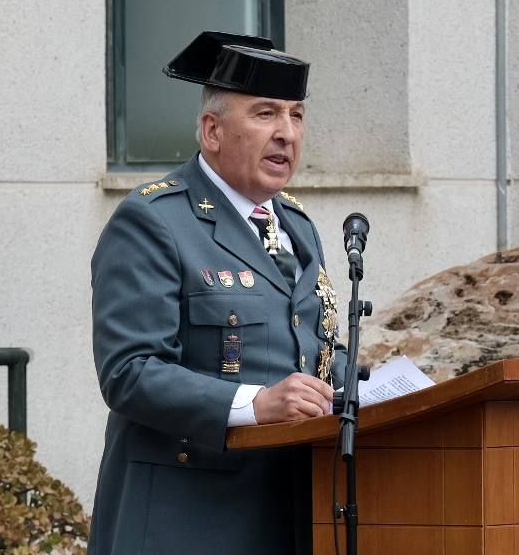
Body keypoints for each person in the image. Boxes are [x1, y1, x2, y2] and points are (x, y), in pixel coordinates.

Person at [89, 32, 345, 554]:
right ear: (212, 131)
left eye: (296, 116)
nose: (287, 134)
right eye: (266, 114)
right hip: (187, 519)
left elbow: (313, 353)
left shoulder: (297, 227)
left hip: (291, 511)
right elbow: (130, 371)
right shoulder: (154, 222)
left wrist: (386, 388)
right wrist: (257, 403)